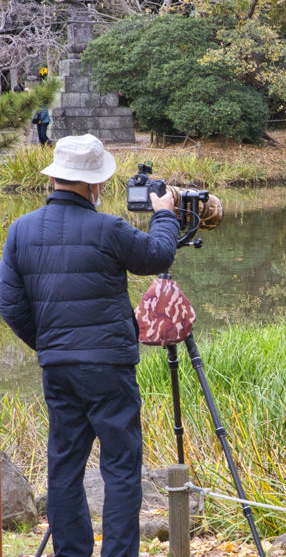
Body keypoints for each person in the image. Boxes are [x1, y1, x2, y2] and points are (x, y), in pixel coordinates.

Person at [0, 134, 179, 557]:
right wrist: (165, 214)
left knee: (63, 466)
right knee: (119, 467)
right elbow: (157, 257)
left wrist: (48, 342)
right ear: (94, 185)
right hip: (109, 367)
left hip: (58, 367)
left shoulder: (20, 230)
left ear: (57, 177)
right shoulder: (108, 228)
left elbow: (10, 303)